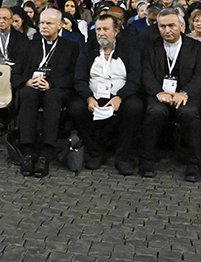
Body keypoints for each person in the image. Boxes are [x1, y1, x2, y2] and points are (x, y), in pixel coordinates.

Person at [137, 7, 201, 182]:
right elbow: (146, 74)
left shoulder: (196, 47)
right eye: (162, 26)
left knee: (189, 113)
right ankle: (146, 160)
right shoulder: (150, 47)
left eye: (171, 25)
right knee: (154, 112)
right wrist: (158, 92)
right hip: (159, 94)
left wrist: (184, 93)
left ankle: (194, 163)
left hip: (187, 95)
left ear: (182, 26)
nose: (166, 30)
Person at [70, 13, 141, 174]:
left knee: (134, 108)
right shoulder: (88, 48)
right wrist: (88, 97)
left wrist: (120, 97)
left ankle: (123, 157)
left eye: (105, 29)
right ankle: (95, 152)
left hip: (121, 94)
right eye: (98, 29)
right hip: (93, 94)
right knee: (75, 108)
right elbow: (79, 78)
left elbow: (135, 78)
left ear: (116, 31)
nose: (101, 33)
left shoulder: (129, 48)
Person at [12, 9, 79, 178]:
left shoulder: (71, 47)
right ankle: (27, 150)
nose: (43, 26)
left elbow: (73, 75)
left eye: (48, 23)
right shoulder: (29, 45)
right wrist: (27, 81)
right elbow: (16, 73)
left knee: (53, 96)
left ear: (60, 25)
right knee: (27, 93)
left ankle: (46, 152)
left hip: (56, 90)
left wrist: (51, 84)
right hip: (32, 87)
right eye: (41, 23)